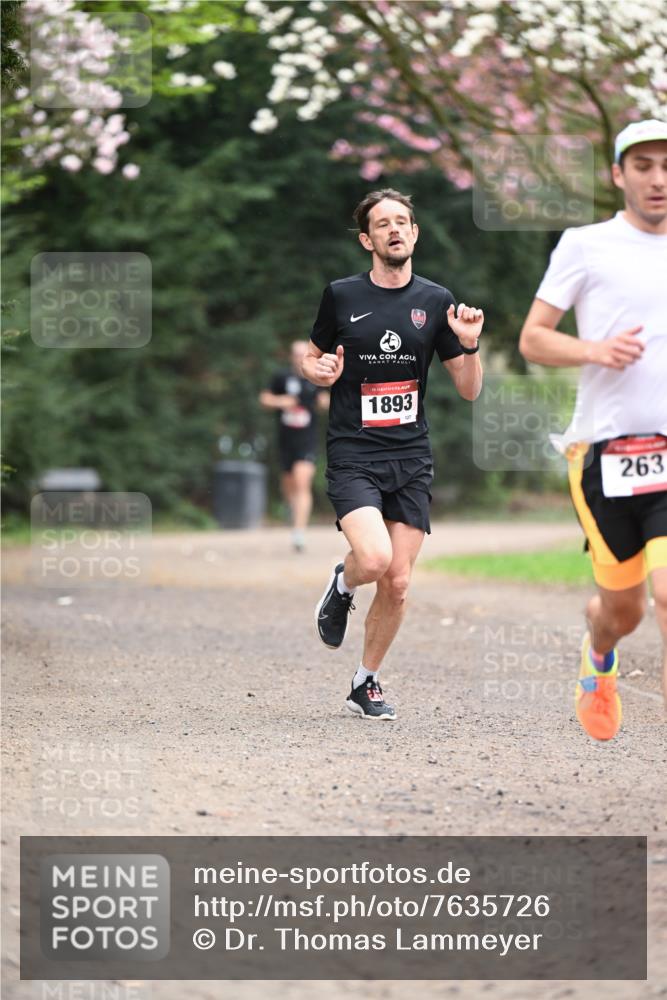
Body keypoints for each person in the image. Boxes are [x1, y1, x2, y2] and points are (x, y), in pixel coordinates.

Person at [301, 188, 484, 720]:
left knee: (398, 582)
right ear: (368, 240)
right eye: (383, 224)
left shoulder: (436, 300)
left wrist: (470, 345)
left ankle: (365, 682)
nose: (395, 230)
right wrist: (320, 372)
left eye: (402, 221)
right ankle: (343, 582)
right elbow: (312, 359)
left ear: (415, 233)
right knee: (376, 560)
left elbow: (469, 389)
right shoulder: (341, 295)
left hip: (411, 456)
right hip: (354, 451)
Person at [519, 119, 667, 741]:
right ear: (617, 175)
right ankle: (599, 653)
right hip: (605, 453)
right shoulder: (586, 245)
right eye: (643, 166)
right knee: (623, 611)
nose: (658, 179)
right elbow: (533, 339)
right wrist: (596, 350)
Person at [260, 340, 329, 552]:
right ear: (291, 357)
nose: (299, 358)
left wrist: (324, 402)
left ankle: (299, 532)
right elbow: (265, 398)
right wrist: (281, 401)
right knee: (289, 484)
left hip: (307, 440)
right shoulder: (282, 377)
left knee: (302, 481)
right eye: (296, 354)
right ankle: (293, 509)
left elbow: (326, 401)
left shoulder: (315, 378)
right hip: (285, 440)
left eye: (303, 354)